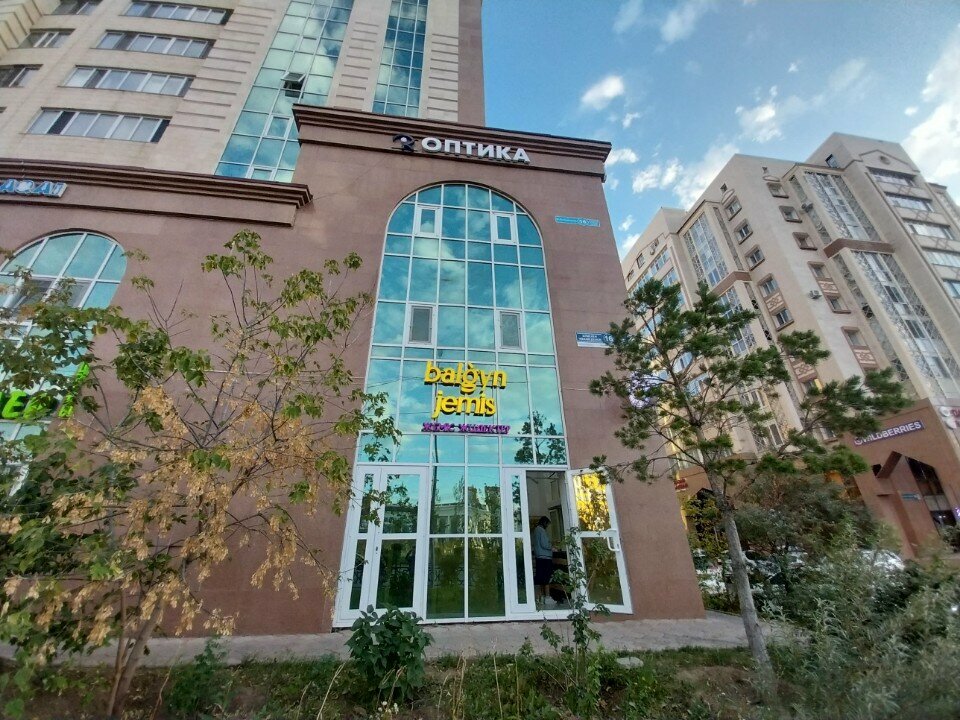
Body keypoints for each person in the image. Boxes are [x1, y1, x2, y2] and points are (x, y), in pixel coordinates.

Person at [533, 516, 555, 608]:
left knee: (540, 577)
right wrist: (552, 547)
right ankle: (547, 597)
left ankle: (540, 597)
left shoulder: (536, 530)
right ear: (544, 523)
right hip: (545, 557)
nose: (547, 526)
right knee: (546, 577)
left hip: (538, 556)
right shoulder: (541, 531)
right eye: (547, 524)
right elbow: (545, 544)